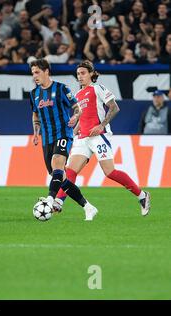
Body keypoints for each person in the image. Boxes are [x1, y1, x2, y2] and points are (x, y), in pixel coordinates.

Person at [54, 60, 151, 216]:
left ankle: (142, 195)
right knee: (70, 170)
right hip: (83, 138)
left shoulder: (97, 88)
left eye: (83, 73)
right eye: (78, 74)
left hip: (99, 136)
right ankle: (58, 201)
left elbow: (114, 107)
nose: (80, 76)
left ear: (92, 73)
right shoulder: (78, 95)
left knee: (110, 172)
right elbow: (82, 118)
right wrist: (74, 130)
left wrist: (101, 125)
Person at [30, 59, 98, 221]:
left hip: (63, 134)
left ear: (46, 71)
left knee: (58, 163)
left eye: (37, 72)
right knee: (60, 178)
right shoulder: (34, 94)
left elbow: (77, 107)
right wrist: (35, 132)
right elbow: (35, 114)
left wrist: (75, 117)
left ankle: (50, 199)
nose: (35, 76)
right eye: (33, 73)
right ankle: (88, 207)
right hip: (47, 138)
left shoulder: (61, 89)